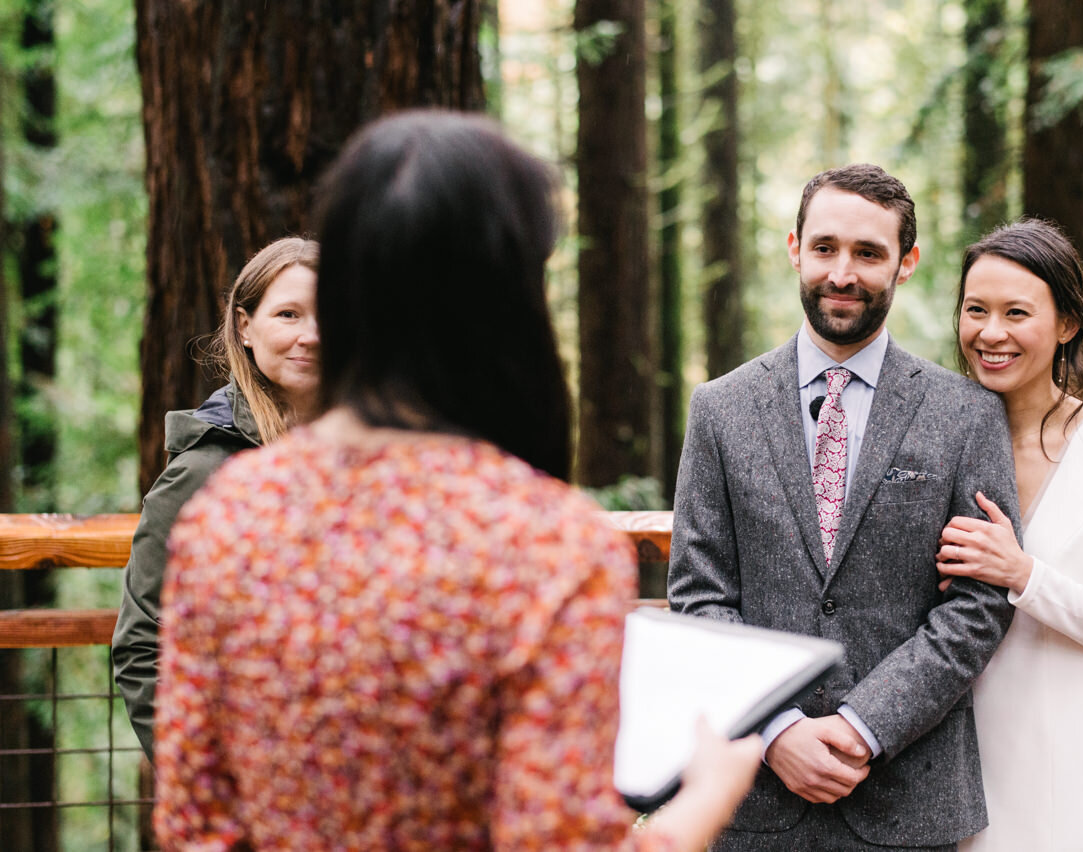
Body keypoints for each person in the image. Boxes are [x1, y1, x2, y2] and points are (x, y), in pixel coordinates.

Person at [151, 110, 761, 851]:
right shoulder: (547, 547)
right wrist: (707, 795)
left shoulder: (228, 514)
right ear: (507, 294)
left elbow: (195, 824)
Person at [668, 163, 1021, 851]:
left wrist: (865, 724)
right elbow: (698, 595)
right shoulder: (720, 409)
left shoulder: (967, 415)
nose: (842, 273)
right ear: (795, 248)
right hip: (753, 804)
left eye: (868, 253)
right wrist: (777, 731)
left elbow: (980, 603)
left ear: (906, 262)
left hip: (908, 799)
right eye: (826, 247)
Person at [936, 218, 1083, 851]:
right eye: (975, 310)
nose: (991, 333)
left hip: (1071, 765)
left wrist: (1023, 574)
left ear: (1067, 324)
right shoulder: (934, 440)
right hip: (950, 768)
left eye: (1017, 313)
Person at [112, 236, 321, 760]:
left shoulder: (377, 457)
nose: (312, 336)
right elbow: (143, 648)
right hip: (253, 776)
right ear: (246, 327)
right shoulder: (203, 470)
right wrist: (207, 784)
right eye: (289, 314)